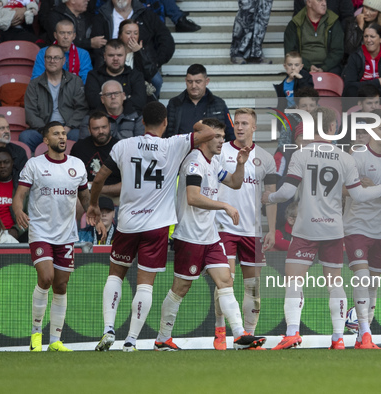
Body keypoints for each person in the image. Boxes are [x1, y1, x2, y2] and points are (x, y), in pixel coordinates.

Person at [263, 107, 381, 350]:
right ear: (332, 129)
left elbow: (286, 192)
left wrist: (270, 197)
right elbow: (358, 195)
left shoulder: (302, 154)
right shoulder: (345, 157)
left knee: (294, 281)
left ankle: (292, 333)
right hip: (334, 230)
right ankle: (338, 338)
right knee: (334, 284)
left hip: (307, 227)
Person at [86, 102, 214, 352]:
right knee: (145, 284)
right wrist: (196, 126)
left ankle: (108, 329)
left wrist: (92, 204)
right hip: (156, 227)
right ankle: (131, 340)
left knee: (115, 275)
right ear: (165, 122)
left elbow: (99, 177)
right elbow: (208, 133)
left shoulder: (124, 145)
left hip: (128, 224)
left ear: (142, 122)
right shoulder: (173, 144)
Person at [154, 118, 268, 351]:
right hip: (190, 236)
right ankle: (162, 338)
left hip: (211, 237)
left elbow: (235, 183)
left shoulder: (214, 162)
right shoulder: (194, 163)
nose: (222, 141)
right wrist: (224, 206)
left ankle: (239, 335)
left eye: (222, 136)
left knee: (225, 281)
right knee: (180, 288)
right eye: (217, 136)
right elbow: (193, 197)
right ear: (204, 138)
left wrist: (240, 164)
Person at [12, 121, 98, 352]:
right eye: (56, 134)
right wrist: (18, 209)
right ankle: (36, 335)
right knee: (47, 278)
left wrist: (92, 210)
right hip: (40, 231)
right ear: (45, 140)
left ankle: (55, 341)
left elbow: (85, 197)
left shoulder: (77, 165)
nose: (62, 137)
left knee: (61, 285)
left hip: (66, 234)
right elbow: (19, 195)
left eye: (64, 134)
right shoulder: (35, 165)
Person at [212, 108, 278, 350]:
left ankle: (248, 337)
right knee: (225, 282)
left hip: (252, 231)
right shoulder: (221, 151)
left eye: (244, 124)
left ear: (254, 128)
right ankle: (220, 332)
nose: (239, 127)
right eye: (237, 123)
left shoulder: (265, 158)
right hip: (224, 227)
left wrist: (270, 229)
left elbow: (269, 197)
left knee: (253, 286)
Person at [342, 109, 381, 349]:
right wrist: (363, 187)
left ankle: (360, 336)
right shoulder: (356, 156)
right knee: (362, 276)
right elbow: (344, 189)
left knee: (374, 284)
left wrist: (379, 185)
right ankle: (365, 333)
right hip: (356, 225)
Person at [21, 44, 89, 152]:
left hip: (68, 128)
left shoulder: (75, 81)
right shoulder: (34, 84)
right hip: (43, 129)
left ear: (63, 61)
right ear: (44, 60)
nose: (52, 61)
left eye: (56, 58)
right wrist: (47, 131)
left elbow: (81, 108)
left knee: (78, 135)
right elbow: (31, 113)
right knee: (26, 137)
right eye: (49, 57)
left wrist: (68, 127)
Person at [90, 0, 175, 73]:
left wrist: (156, 62)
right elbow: (97, 50)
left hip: (143, 69)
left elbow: (166, 39)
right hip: (109, 68)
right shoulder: (101, 17)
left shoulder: (146, 15)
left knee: (157, 82)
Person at [165, 64, 234, 140]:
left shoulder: (219, 104)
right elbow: (166, 133)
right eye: (190, 81)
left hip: (211, 151)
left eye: (198, 81)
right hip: (181, 151)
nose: (193, 86)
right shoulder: (174, 103)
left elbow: (231, 133)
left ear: (207, 81)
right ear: (185, 81)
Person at [85, 40, 147, 115]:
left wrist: (106, 99)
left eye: (119, 55)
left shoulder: (136, 75)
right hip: (102, 120)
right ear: (104, 56)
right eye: (111, 55)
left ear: (125, 56)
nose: (115, 59)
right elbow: (93, 102)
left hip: (130, 120)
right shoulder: (93, 76)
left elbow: (140, 102)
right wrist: (126, 97)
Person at [71, 111, 122, 201]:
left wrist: (93, 187)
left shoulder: (121, 147)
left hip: (114, 196)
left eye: (104, 127)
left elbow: (127, 185)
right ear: (89, 130)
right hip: (85, 196)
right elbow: (71, 178)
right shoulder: (79, 147)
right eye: (96, 128)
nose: (101, 131)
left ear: (110, 126)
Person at [284, 0, 344, 75]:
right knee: (298, 74)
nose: (324, 3)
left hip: (329, 67)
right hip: (303, 67)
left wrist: (323, 68)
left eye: (325, 0)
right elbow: (291, 52)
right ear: (309, 3)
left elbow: (338, 51)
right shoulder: (295, 24)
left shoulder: (333, 21)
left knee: (336, 75)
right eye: (319, 1)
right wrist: (308, 66)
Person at [342, 22, 381, 98]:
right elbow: (349, 84)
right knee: (350, 90)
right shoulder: (355, 56)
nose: (368, 40)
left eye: (372, 36)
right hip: (361, 92)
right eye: (366, 36)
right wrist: (377, 82)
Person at [32, 19, 93, 84]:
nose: (66, 37)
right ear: (55, 35)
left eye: (69, 33)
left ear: (74, 36)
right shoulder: (44, 52)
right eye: (62, 33)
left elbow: (86, 80)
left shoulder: (83, 54)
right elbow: (36, 78)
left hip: (74, 92)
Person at [80, 80, 144, 140]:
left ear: (123, 96)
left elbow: (140, 145)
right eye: (108, 94)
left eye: (116, 93)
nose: (113, 97)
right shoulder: (90, 119)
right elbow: (86, 146)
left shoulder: (137, 117)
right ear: (102, 99)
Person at [117, 19, 163, 99]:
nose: (132, 36)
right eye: (128, 33)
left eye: (136, 33)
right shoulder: (114, 51)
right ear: (120, 35)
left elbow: (150, 74)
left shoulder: (145, 50)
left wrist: (139, 52)